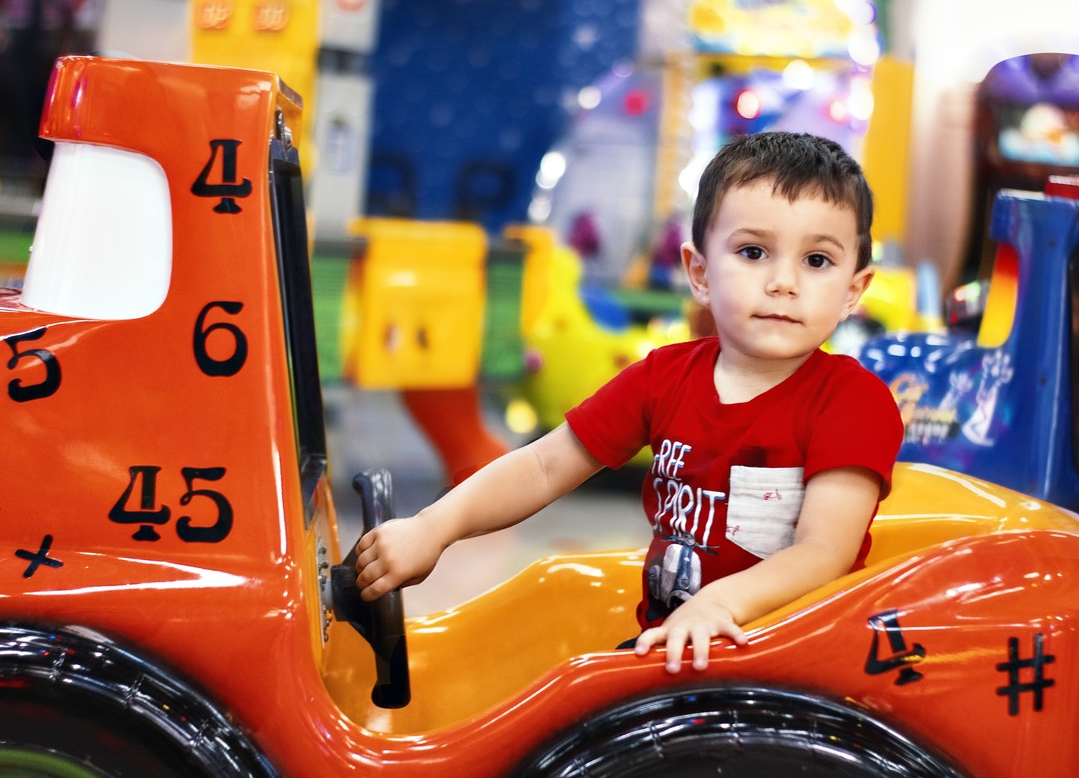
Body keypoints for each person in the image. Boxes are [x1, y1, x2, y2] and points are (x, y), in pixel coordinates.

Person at [355, 131, 904, 674]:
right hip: (669, 656)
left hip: (791, 673)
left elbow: (823, 551)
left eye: (817, 260)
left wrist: (718, 605)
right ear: (700, 273)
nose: (784, 282)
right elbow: (543, 466)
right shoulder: (662, 378)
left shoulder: (853, 403)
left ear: (854, 290)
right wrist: (433, 527)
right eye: (753, 252)